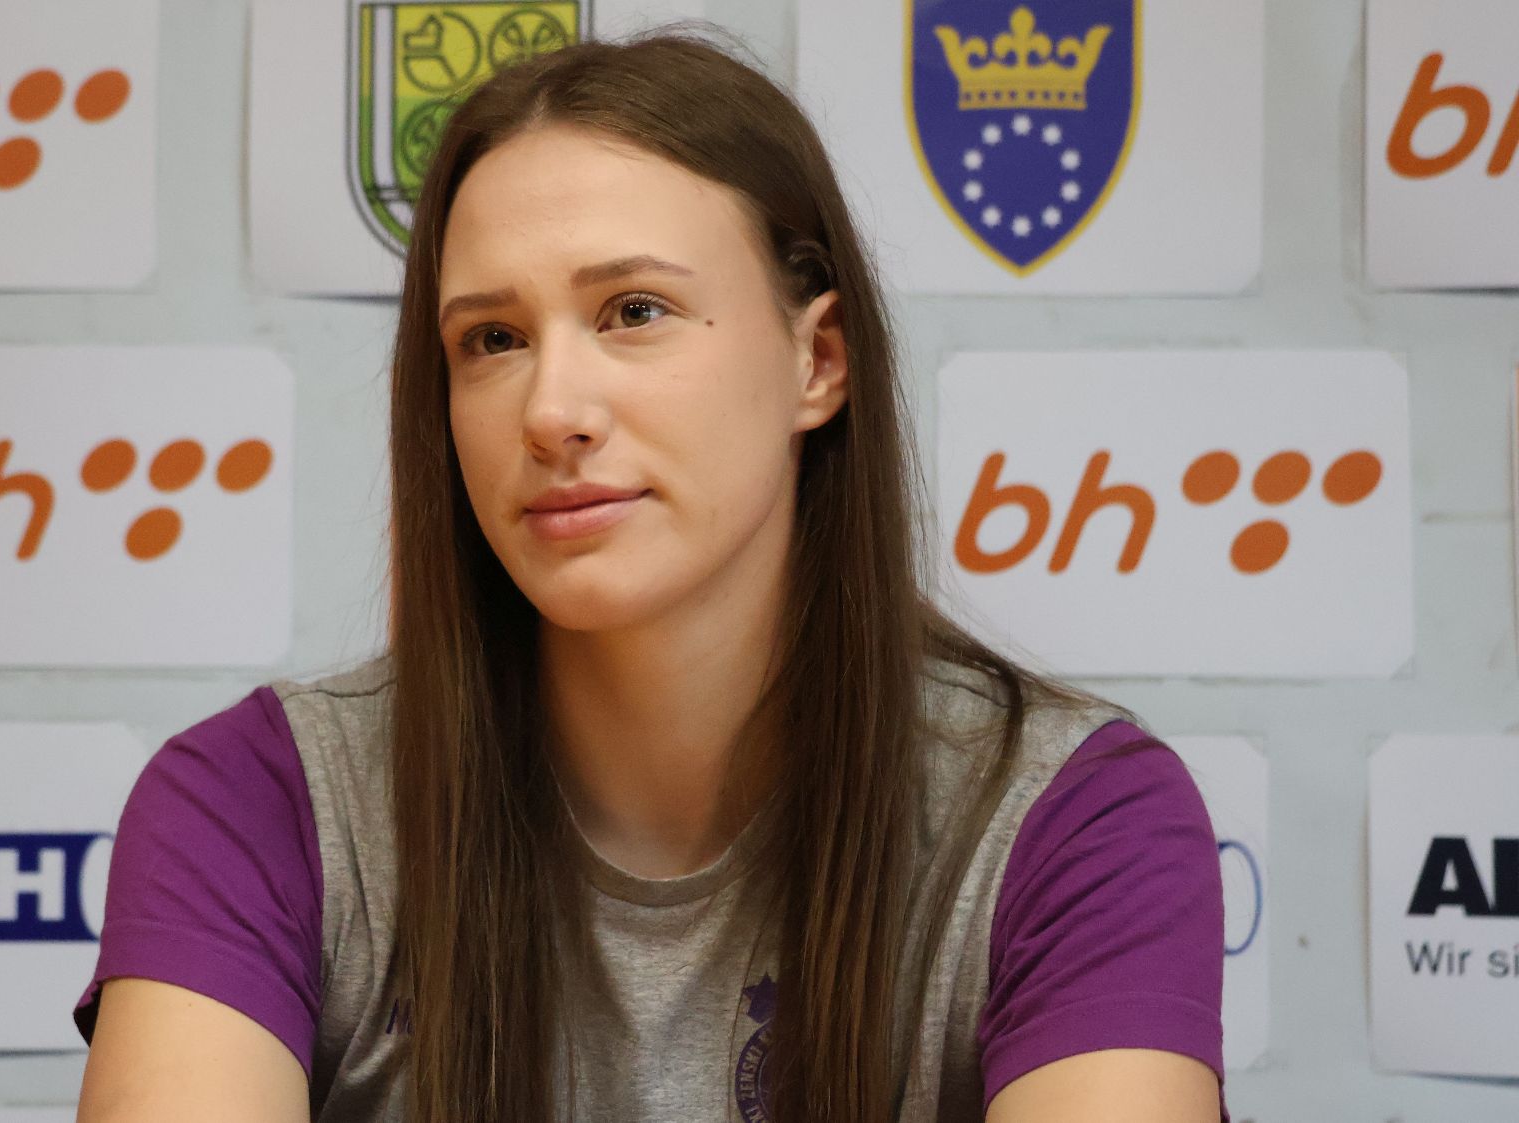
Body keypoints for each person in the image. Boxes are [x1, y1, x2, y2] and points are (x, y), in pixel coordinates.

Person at [72, 30, 1227, 1123]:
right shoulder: (254, 804)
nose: (550, 410)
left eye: (633, 311)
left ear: (816, 361)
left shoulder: (1075, 820)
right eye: (491, 338)